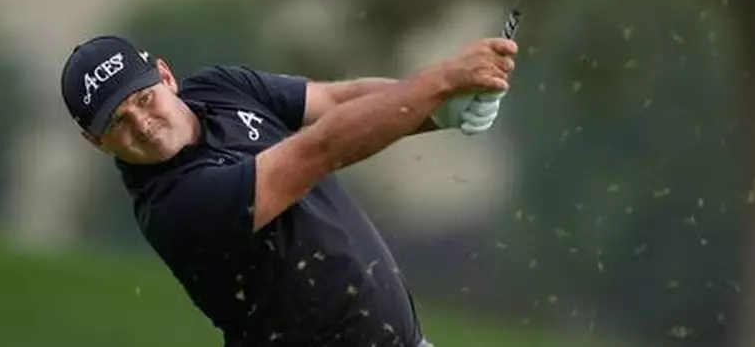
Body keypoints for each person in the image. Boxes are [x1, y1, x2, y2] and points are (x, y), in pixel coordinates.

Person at [59, 33, 517, 347]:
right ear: (95, 141)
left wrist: (440, 110)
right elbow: (318, 150)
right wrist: (439, 82)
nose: (143, 124)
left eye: (143, 99)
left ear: (165, 76)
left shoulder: (220, 88)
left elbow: (339, 100)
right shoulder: (173, 206)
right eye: (117, 123)